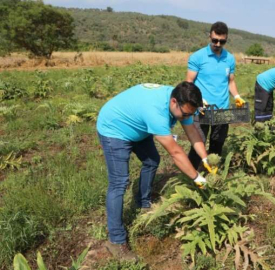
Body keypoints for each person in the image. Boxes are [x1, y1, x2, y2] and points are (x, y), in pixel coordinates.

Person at [96, 82, 214, 260]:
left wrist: (205, 158)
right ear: (174, 102)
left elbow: (192, 132)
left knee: (152, 160)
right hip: (114, 128)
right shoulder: (156, 113)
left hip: (138, 126)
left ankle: (143, 203)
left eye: (191, 114)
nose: (187, 117)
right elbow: (175, 152)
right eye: (186, 114)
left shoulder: (183, 101)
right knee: (119, 183)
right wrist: (197, 177)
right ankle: (116, 241)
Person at [186, 21, 246, 170]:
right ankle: (191, 174)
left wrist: (237, 96)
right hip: (202, 109)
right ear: (209, 37)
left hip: (222, 109)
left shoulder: (229, 58)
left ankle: (213, 171)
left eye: (222, 41)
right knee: (198, 142)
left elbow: (230, 82)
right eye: (215, 40)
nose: (218, 44)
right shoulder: (198, 57)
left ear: (226, 39)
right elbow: (189, 82)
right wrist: (198, 100)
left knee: (218, 142)